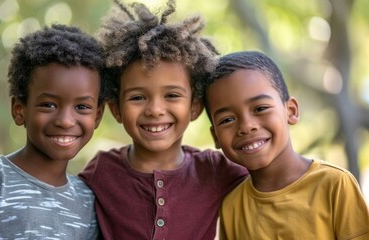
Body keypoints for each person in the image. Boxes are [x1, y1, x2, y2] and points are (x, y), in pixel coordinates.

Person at [78, 0, 248, 239]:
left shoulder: (214, 170)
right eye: (138, 97)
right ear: (116, 109)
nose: (155, 109)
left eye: (171, 95)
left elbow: (269, 180)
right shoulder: (102, 171)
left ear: (194, 107)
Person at [0, 24, 106, 240]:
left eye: (82, 107)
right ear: (19, 109)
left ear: (97, 115)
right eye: (49, 105)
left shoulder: (88, 200)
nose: (65, 121)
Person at [203, 51, 369, 239]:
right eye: (227, 119)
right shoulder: (231, 207)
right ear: (216, 137)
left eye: (260, 108)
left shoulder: (334, 184)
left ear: (291, 111)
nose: (246, 126)